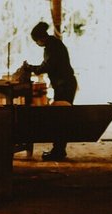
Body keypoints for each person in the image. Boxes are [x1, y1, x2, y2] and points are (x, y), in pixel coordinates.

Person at [24, 21, 78, 161]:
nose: (37, 44)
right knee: (61, 117)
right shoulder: (54, 44)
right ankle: (59, 149)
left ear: (41, 38)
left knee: (61, 118)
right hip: (64, 84)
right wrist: (33, 68)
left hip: (64, 86)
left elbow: (47, 66)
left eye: (36, 42)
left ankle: (58, 151)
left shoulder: (52, 47)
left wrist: (31, 69)